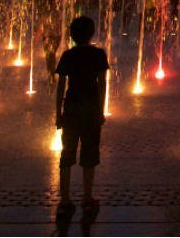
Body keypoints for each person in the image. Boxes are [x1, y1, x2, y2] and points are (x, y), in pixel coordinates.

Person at [55, 15, 109, 219]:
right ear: (91, 33)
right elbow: (102, 83)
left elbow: (61, 87)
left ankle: (65, 200)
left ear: (72, 35)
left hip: (71, 109)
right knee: (89, 155)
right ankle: (87, 198)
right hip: (91, 111)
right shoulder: (98, 54)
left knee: (67, 155)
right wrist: (101, 110)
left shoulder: (67, 55)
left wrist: (57, 114)